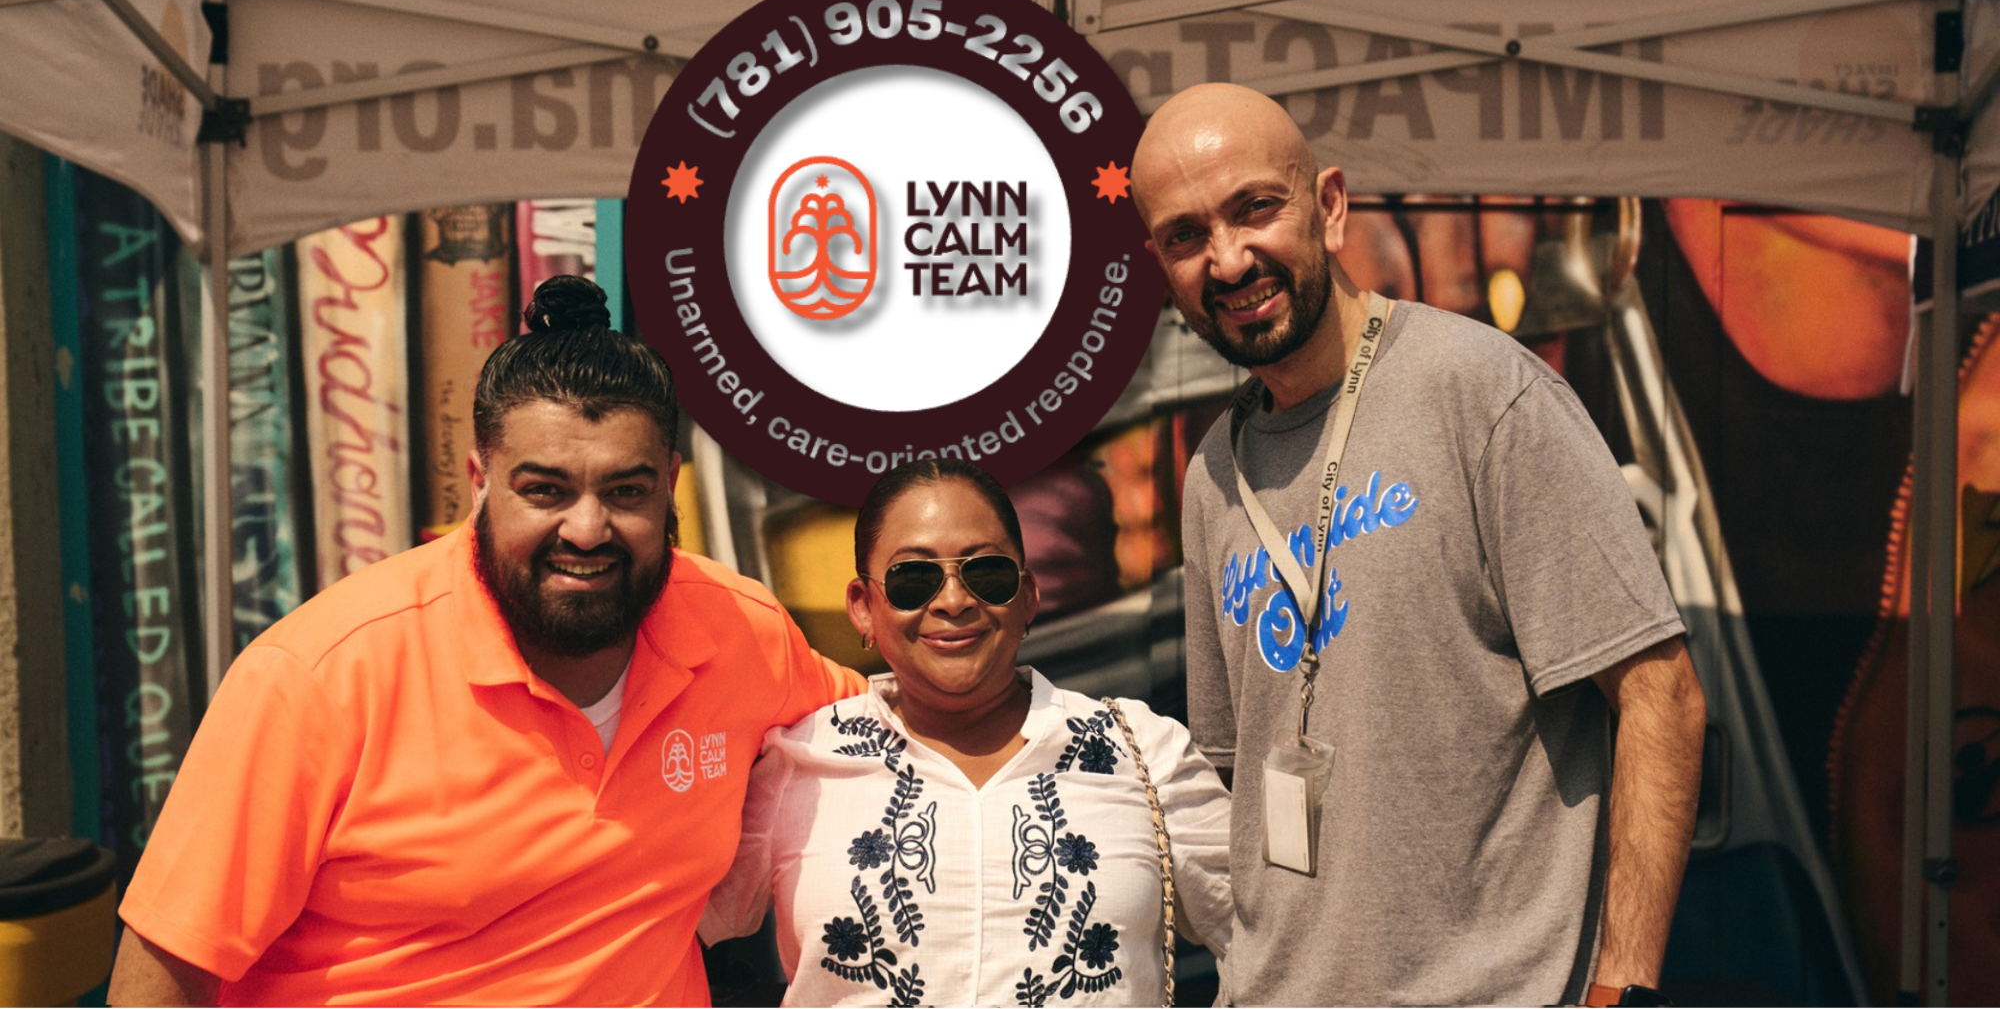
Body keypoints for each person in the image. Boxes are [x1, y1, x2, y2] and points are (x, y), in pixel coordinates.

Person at [107, 276, 866, 1006]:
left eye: (625, 491)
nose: (587, 528)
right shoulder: (322, 677)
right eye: (546, 490)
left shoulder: (740, 631)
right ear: (480, 479)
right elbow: (168, 966)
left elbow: (897, 731)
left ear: (671, 483)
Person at [1130, 83, 1707, 1007]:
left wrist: (1622, 987)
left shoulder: (1480, 393)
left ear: (1328, 206)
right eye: (1185, 236)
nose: (1228, 260)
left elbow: (1660, 694)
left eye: (1254, 209)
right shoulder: (1213, 473)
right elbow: (1236, 779)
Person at [699, 458, 1231, 1006]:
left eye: (987, 573)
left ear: (1028, 595)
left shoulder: (1141, 750)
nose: (953, 601)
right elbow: (660, 929)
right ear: (863, 606)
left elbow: (1277, 934)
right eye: (914, 579)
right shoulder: (801, 760)